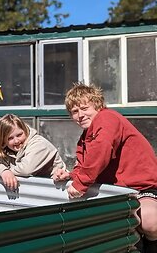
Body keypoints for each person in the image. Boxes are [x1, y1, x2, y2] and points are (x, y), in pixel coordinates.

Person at [53, 83, 157, 252]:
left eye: (84, 108)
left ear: (98, 105)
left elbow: (101, 151)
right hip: (117, 191)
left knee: (150, 222)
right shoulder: (85, 138)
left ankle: (152, 244)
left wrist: (79, 184)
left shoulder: (107, 118)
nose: (80, 115)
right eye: (74, 111)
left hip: (143, 186)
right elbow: (87, 165)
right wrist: (70, 175)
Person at [0, 114, 66, 191]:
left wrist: (8, 171)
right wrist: (3, 171)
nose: (16, 140)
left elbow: (26, 169)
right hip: (35, 192)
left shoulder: (39, 144)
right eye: (10, 138)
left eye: (19, 135)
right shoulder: (7, 150)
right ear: (3, 141)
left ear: (25, 131)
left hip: (59, 190)